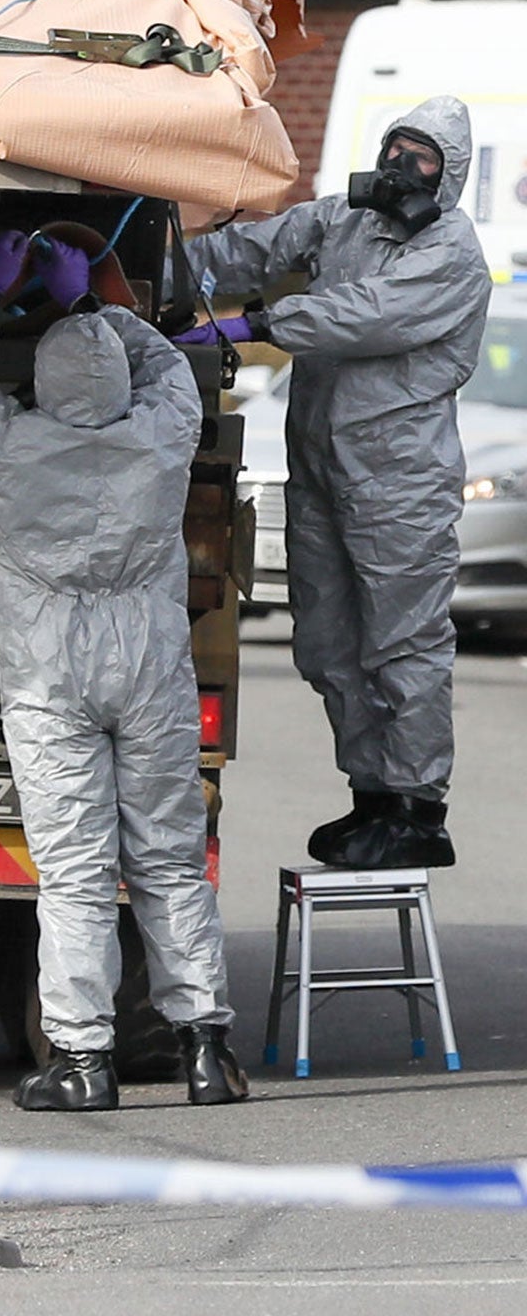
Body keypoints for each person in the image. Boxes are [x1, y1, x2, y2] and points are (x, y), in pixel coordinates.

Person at [0, 232, 247, 1113]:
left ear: (42, 391)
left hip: (50, 673)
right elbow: (171, 370)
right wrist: (91, 306)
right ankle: (205, 1051)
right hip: (149, 666)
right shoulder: (161, 436)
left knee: (72, 870)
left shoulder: (12, 448)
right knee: (171, 859)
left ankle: (83, 1060)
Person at [175, 97, 490, 870]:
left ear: (448, 176)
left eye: (421, 158)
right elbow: (252, 249)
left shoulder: (451, 254)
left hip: (399, 480)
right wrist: (154, 260)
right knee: (326, 643)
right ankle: (371, 797)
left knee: (402, 644)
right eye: (396, 148)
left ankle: (419, 809)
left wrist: (253, 325)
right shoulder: (341, 223)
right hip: (321, 466)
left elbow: (364, 315)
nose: (400, 169)